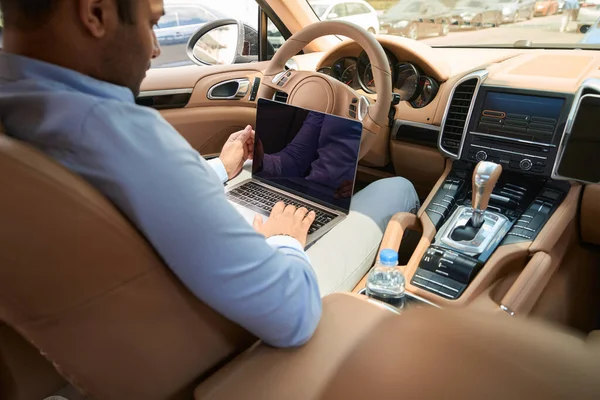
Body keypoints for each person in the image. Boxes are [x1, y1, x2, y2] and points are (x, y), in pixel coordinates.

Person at [0, 0, 419, 347]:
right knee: (397, 188)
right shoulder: (120, 135)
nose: (154, 50)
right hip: (245, 318)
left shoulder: (22, 109)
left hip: (121, 324)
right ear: (95, 13)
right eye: (151, 24)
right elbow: (293, 313)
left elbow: (147, 193)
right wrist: (285, 242)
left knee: (258, 182)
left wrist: (222, 167)